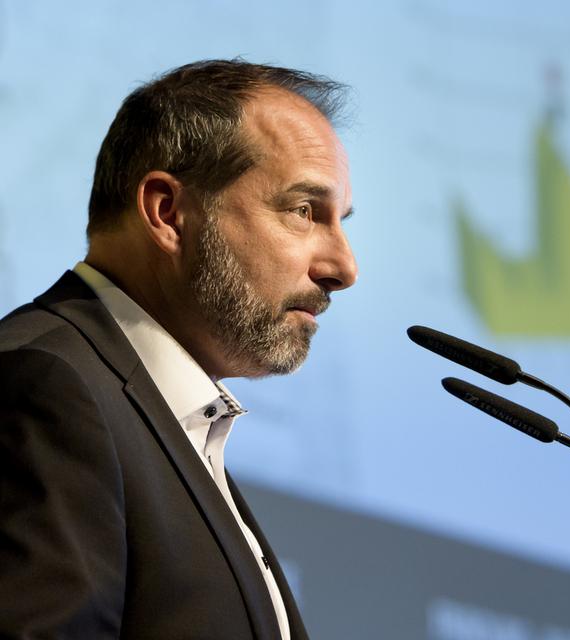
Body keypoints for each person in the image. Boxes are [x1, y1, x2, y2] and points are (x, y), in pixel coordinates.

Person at [0, 59, 357, 639]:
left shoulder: (159, 410)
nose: (344, 268)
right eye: (303, 211)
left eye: (340, 221)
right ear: (167, 212)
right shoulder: (48, 386)